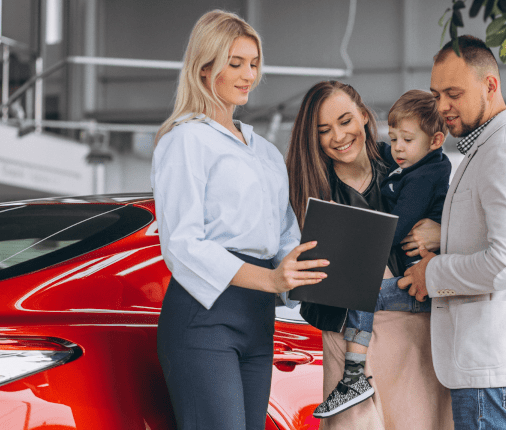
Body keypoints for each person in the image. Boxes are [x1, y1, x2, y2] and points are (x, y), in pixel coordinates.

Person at [150, 10, 329, 430]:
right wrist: (270, 280)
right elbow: (182, 245)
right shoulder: (184, 140)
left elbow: (284, 235)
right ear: (204, 67)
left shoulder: (265, 151)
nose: (248, 75)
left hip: (258, 319)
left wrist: (312, 279)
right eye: (235, 64)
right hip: (204, 318)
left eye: (253, 63)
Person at [399, 35, 506, 430]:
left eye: (453, 93)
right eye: (436, 93)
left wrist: (433, 272)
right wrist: (444, 235)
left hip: (498, 376)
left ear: (490, 85)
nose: (442, 106)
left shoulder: (503, 151)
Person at [286, 80, 454, 429]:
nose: (338, 136)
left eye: (345, 121)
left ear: (363, 116)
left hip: (412, 329)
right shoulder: (308, 188)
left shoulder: (407, 162)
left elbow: (469, 225)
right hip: (347, 338)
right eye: (324, 130)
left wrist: (444, 232)